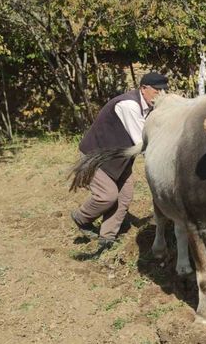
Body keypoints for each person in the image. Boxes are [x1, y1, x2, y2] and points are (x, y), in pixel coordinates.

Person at [71, 72, 168, 250]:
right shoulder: (129, 105)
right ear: (143, 88)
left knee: (125, 195)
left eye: (164, 91)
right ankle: (82, 218)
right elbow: (142, 142)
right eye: (157, 91)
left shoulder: (150, 107)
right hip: (97, 156)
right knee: (106, 196)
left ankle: (107, 237)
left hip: (118, 159)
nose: (161, 95)